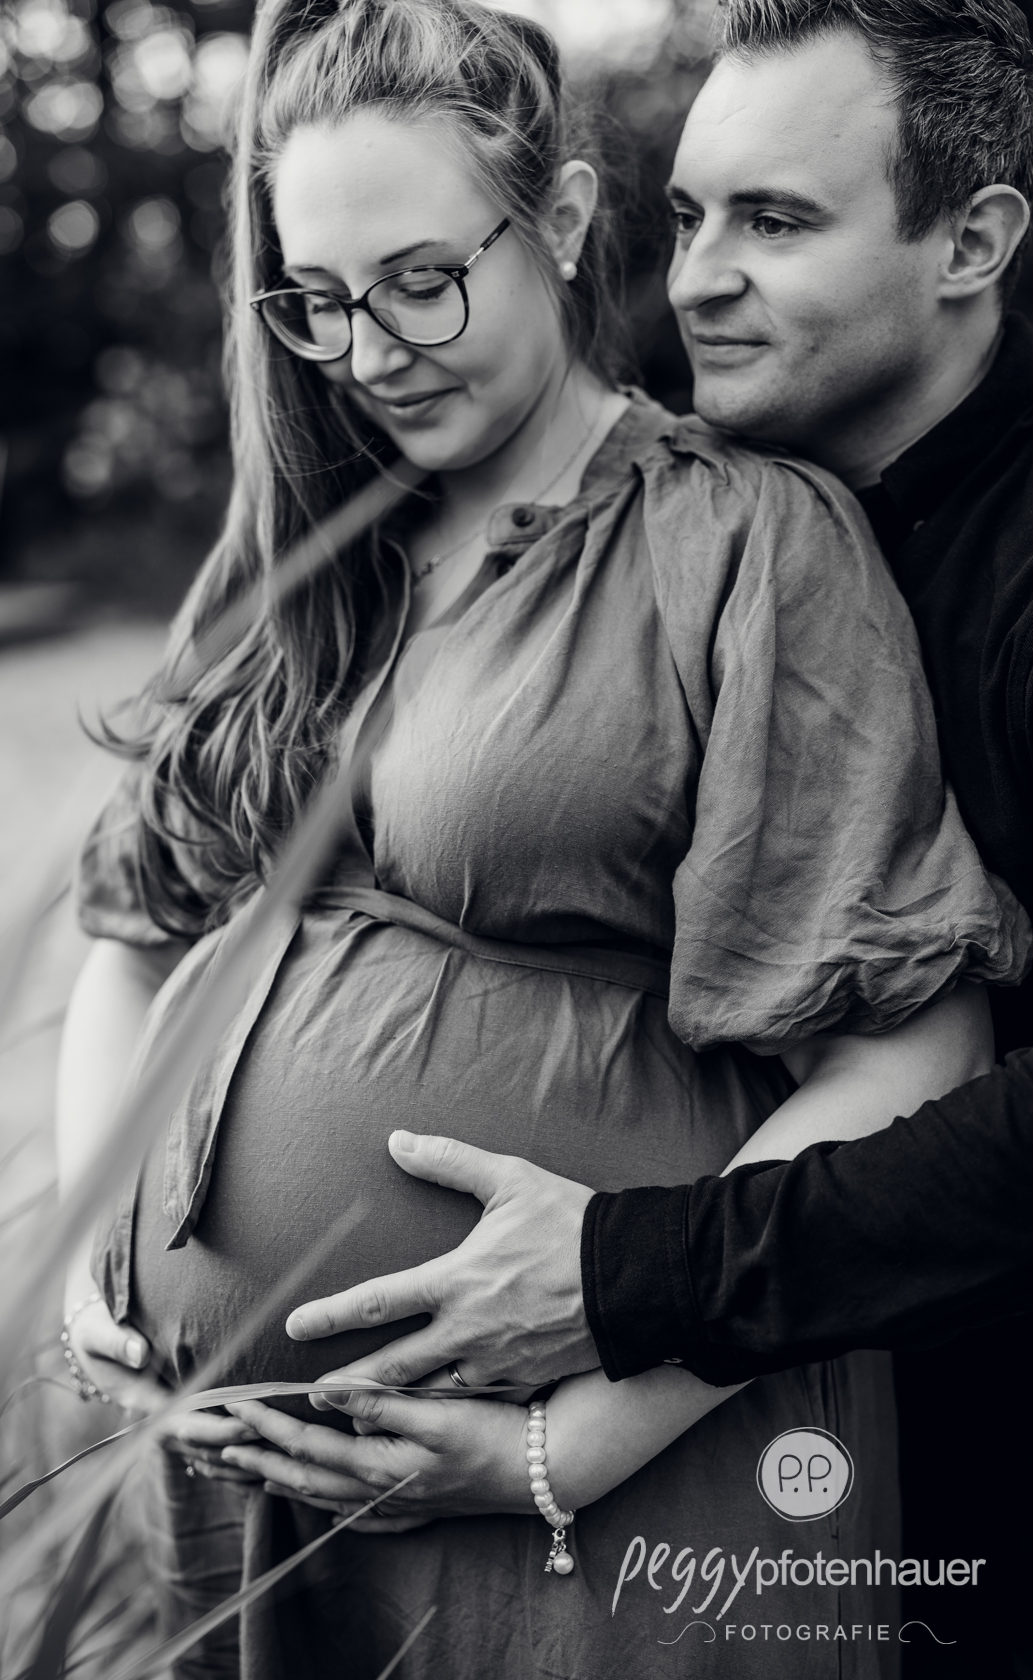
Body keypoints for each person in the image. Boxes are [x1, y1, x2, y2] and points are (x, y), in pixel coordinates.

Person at [55, 0, 1029, 1675]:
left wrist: (573, 1435)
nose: (369, 349)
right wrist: (93, 1243)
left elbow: (915, 1030)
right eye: (318, 302)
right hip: (250, 1487)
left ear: (560, 225)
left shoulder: (744, 536)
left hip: (602, 1490)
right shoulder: (315, 553)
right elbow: (131, 929)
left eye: (422, 278)